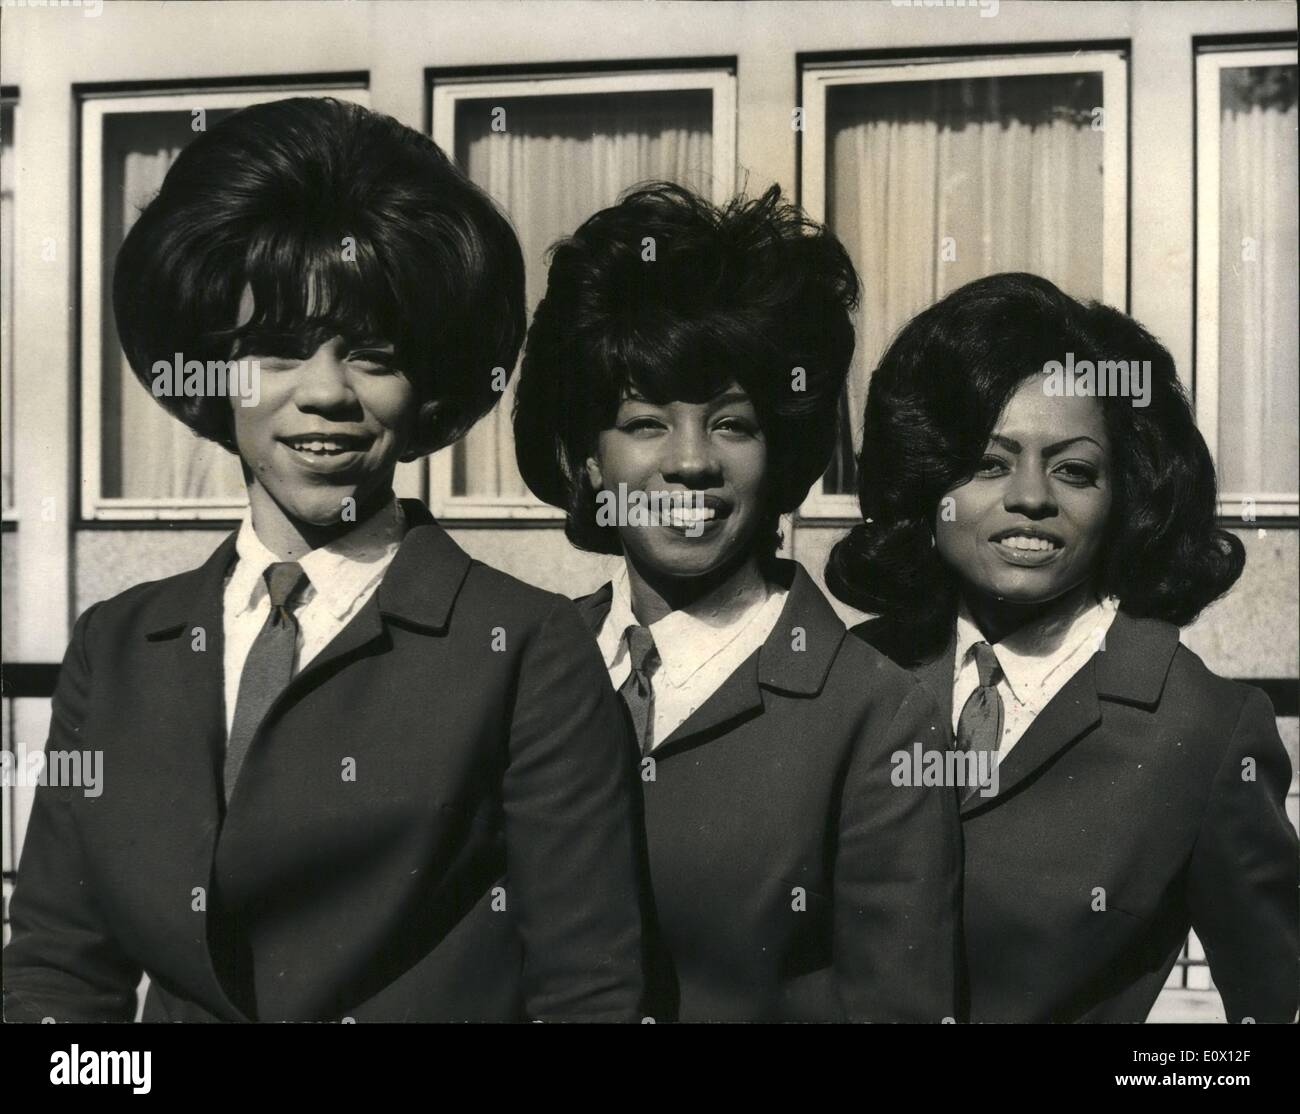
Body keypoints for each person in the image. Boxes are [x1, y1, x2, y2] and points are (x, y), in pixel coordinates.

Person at [3, 97, 644, 1023]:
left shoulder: (527, 650)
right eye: (275, 350)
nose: (326, 393)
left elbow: (587, 994)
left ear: (429, 387)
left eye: (374, 355)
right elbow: (55, 975)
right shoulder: (115, 647)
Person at [513, 182, 961, 1022]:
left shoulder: (874, 715)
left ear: (782, 453)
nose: (691, 462)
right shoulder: (519, 665)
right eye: (646, 422)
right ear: (588, 458)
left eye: (731, 423)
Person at [829, 271, 1298, 1023]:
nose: (1030, 498)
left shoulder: (1203, 728)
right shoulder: (851, 672)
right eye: (988, 463)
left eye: (1074, 470)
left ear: (1126, 496)